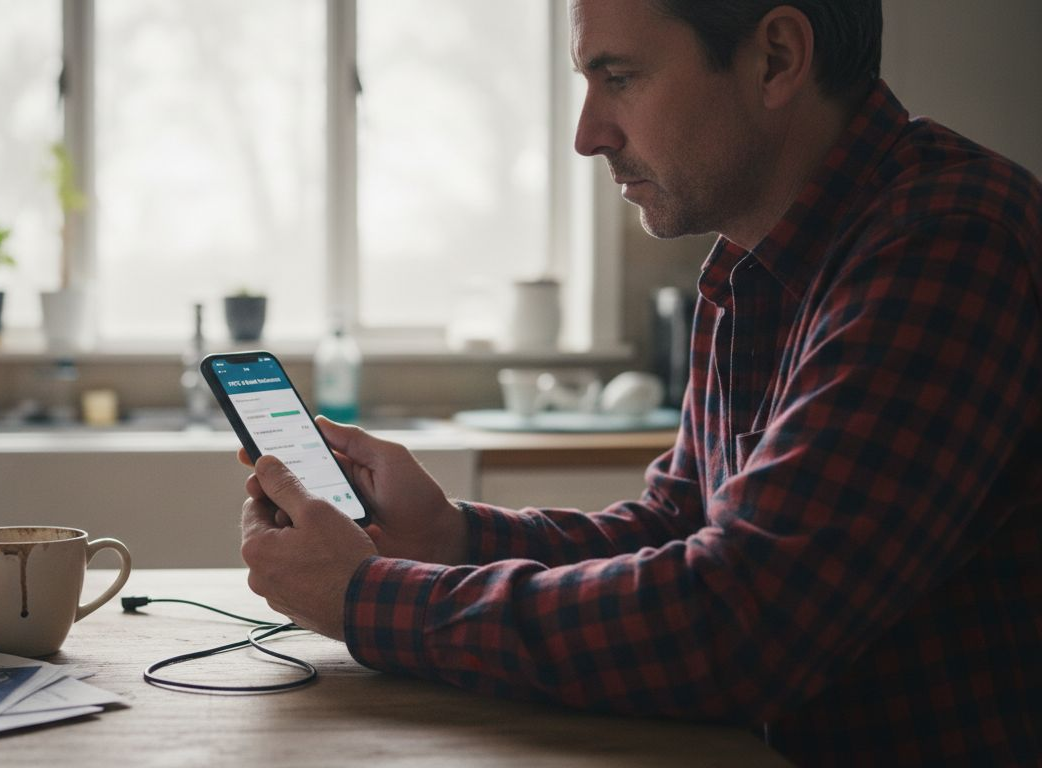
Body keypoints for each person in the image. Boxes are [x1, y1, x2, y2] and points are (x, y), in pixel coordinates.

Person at [238, 0, 1042, 764]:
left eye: (618, 78)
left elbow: (739, 621)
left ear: (776, 58)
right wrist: (451, 537)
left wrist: (368, 598)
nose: (588, 135)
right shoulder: (751, 267)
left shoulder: (952, 242)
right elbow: (682, 526)